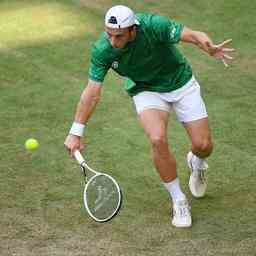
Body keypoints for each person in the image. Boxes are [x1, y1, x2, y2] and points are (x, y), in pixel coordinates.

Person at [64, 5, 234, 227]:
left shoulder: (154, 25)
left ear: (133, 30)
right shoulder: (103, 50)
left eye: (119, 36)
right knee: (157, 138)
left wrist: (207, 45)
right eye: (109, 34)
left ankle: (197, 160)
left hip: (180, 82)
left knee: (203, 145)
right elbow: (92, 93)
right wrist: (76, 132)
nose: (113, 41)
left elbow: (191, 35)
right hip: (145, 89)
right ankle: (178, 199)